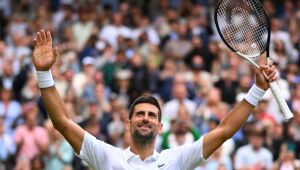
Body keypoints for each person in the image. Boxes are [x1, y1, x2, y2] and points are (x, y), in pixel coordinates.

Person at [32, 30, 278, 169]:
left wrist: (257, 89)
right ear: (128, 123)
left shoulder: (175, 160)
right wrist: (43, 73)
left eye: (151, 115)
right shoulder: (107, 156)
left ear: (161, 126)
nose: (145, 118)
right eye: (139, 114)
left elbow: (224, 131)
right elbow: (62, 122)